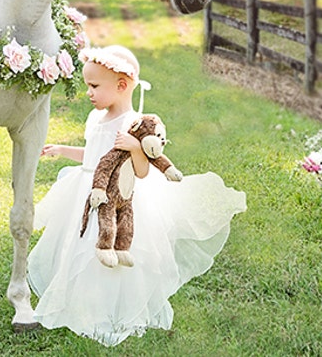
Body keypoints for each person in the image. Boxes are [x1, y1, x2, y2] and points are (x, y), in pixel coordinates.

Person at [27, 45, 246, 346]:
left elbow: (143, 171)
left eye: (94, 86)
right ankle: (83, 304)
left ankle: (111, 310)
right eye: (87, 86)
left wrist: (133, 147)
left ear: (121, 86)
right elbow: (95, 155)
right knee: (80, 248)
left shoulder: (134, 125)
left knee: (115, 249)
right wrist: (62, 150)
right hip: (89, 192)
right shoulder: (96, 118)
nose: (88, 93)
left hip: (121, 198)